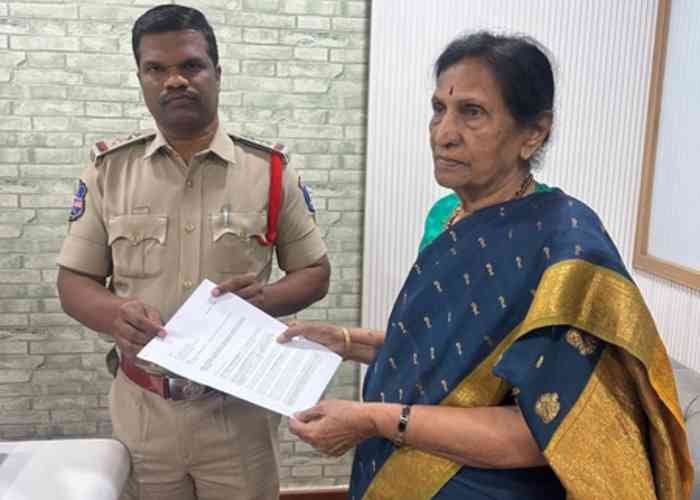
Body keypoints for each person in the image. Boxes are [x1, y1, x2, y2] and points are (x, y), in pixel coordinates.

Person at [278, 32, 693, 499]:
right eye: (439, 108)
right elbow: (443, 353)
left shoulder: (567, 245)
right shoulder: (447, 216)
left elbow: (543, 428)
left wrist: (375, 418)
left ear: (534, 133)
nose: (443, 133)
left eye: (471, 112)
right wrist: (346, 342)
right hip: (398, 463)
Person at [56, 4, 330, 500]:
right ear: (140, 79)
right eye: (156, 69)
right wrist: (115, 314)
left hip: (238, 412)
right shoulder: (108, 171)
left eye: (191, 65)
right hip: (144, 412)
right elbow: (73, 282)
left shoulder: (269, 171)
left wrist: (264, 299)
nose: (175, 80)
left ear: (217, 74)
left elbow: (315, 272)